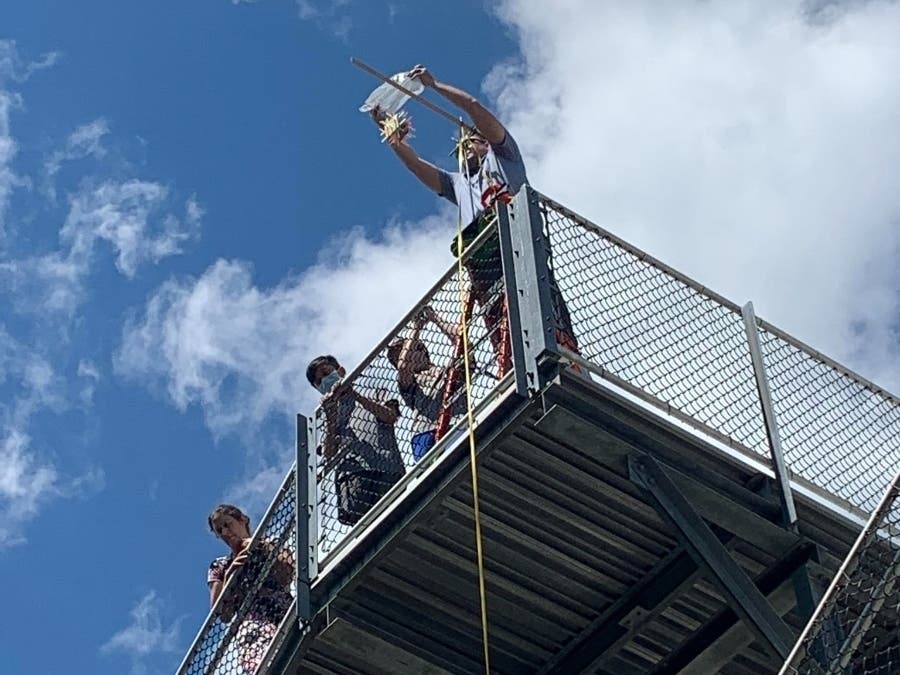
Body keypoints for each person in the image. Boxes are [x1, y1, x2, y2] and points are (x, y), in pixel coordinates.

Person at [371, 64, 581, 367]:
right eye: (463, 142)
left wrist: (433, 85)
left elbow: (472, 107)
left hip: (520, 248)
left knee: (548, 325)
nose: (467, 142)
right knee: (504, 333)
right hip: (487, 269)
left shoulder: (504, 158)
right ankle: (514, 371)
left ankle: (567, 367)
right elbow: (417, 166)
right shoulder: (459, 184)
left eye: (474, 137)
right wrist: (394, 139)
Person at [306, 355, 406, 526]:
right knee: (364, 526)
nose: (324, 380)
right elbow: (329, 453)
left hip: (388, 467)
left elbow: (390, 416)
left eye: (326, 373)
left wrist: (355, 396)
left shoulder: (374, 391)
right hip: (352, 475)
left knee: (399, 514)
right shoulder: (329, 416)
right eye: (319, 382)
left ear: (340, 371)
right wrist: (331, 417)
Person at [207, 504, 294, 674]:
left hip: (286, 613)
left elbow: (288, 571)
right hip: (253, 625)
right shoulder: (220, 566)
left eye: (227, 524)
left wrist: (259, 546)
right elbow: (222, 613)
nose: (225, 532)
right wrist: (230, 577)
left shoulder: (270, 543)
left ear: (243, 520)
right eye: (219, 530)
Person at [387, 305, 468, 460]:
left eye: (408, 350)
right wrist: (416, 327)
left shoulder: (449, 369)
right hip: (425, 432)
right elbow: (403, 367)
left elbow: (462, 341)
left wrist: (434, 318)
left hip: (458, 422)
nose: (404, 357)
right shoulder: (411, 383)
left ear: (422, 349)